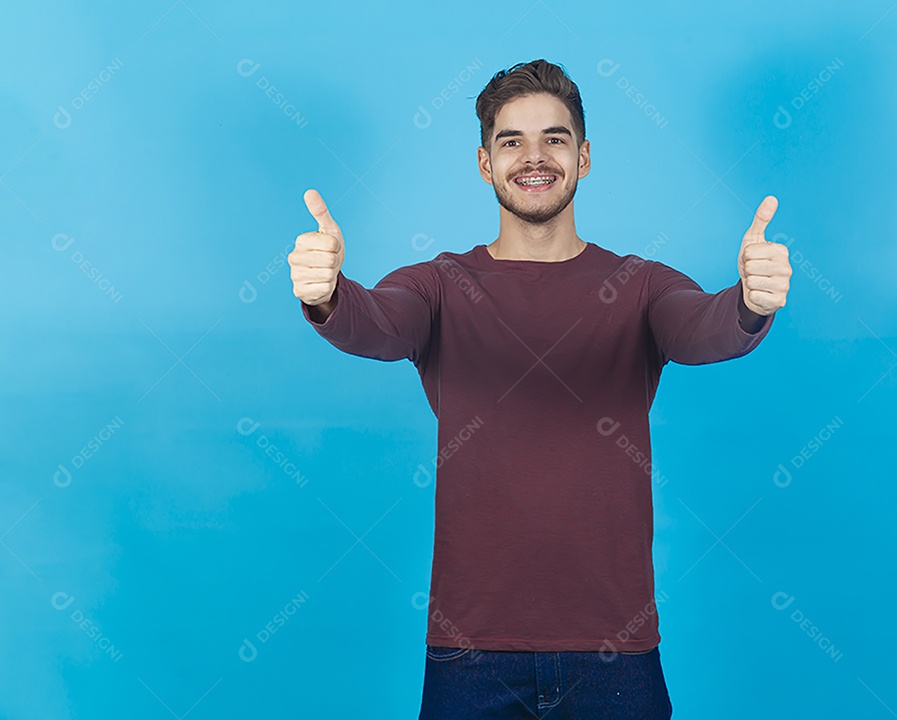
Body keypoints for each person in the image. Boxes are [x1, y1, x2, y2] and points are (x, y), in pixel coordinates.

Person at [288, 58, 791, 719]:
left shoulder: (642, 285)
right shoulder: (439, 285)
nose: (534, 157)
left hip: (617, 654)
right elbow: (378, 322)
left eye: (554, 138)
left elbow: (702, 327)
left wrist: (750, 302)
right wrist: (328, 295)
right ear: (483, 163)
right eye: (511, 141)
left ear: (583, 158)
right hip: (469, 655)